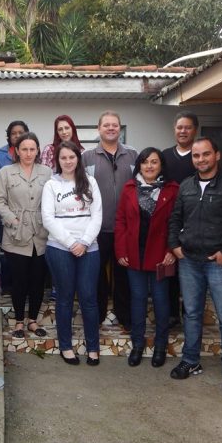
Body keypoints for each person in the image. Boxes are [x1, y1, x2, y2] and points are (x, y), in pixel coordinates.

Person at [168, 137, 222, 397]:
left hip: (219, 262)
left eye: (206, 154)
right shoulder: (186, 186)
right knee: (191, 314)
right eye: (196, 156)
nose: (201, 159)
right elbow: (175, 218)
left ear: (217, 155)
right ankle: (191, 360)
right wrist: (175, 246)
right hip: (189, 261)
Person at [115, 148, 179, 367]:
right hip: (134, 254)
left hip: (161, 255)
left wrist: (171, 250)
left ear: (161, 165)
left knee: (161, 301)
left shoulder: (172, 189)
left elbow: (177, 222)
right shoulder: (129, 188)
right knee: (138, 299)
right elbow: (121, 221)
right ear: (139, 166)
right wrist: (121, 250)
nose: (149, 166)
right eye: (145, 162)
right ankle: (138, 345)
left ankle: (160, 345)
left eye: (154, 162)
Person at [42, 141, 102, 366]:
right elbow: (48, 219)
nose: (68, 161)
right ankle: (66, 347)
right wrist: (71, 243)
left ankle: (93, 348)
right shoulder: (51, 185)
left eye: (71, 157)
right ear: (58, 161)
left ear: (78, 158)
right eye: (63, 158)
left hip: (89, 247)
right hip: (60, 248)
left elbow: (97, 215)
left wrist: (84, 242)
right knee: (65, 298)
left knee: (89, 298)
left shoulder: (90, 182)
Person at [82, 111, 137, 331]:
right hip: (97, 228)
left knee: (124, 275)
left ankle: (125, 317)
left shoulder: (133, 155)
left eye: (115, 125)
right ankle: (97, 315)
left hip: (125, 228)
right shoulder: (87, 157)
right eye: (106, 125)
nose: (111, 128)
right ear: (99, 129)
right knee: (96, 275)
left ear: (120, 128)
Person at [0, 132, 52, 338]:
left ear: (37, 151)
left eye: (32, 149)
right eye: (24, 149)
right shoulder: (6, 172)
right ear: (16, 151)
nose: (28, 153)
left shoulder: (47, 172)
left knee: (37, 280)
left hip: (40, 233)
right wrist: (12, 219)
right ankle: (19, 321)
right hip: (16, 234)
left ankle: (33, 320)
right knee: (19, 281)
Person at [162, 111, 198, 329]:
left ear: (195, 130)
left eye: (188, 127)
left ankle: (191, 315)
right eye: (179, 127)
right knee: (170, 270)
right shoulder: (165, 156)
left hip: (196, 221)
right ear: (174, 129)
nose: (183, 131)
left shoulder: (200, 155)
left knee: (192, 271)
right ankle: (172, 313)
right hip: (170, 221)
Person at [0, 120, 30, 295]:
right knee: (8, 249)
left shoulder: (30, 153)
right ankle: (8, 284)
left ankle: (26, 286)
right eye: (13, 133)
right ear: (8, 136)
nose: (17, 136)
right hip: (7, 211)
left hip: (29, 211)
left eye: (20, 132)